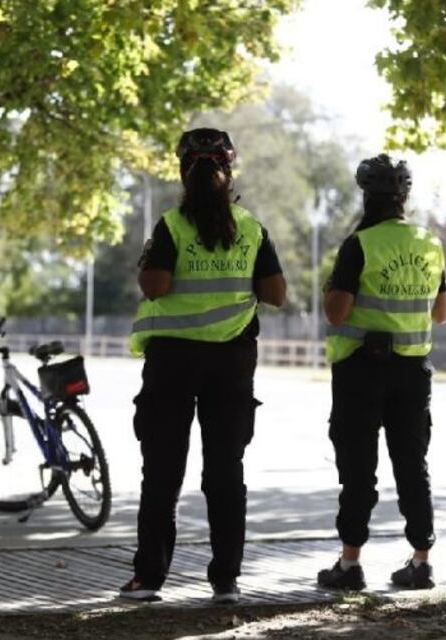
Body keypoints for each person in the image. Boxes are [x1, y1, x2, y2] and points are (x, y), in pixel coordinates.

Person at [120, 128, 287, 604]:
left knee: (163, 471)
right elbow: (276, 294)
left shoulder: (172, 226)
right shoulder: (251, 228)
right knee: (225, 473)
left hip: (172, 361)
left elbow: (154, 286)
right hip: (231, 362)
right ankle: (226, 581)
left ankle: (149, 579)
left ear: (182, 172)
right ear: (229, 171)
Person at [316, 154, 446, 591]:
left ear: (366, 196)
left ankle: (350, 563)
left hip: (361, 370)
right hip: (413, 372)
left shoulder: (360, 244)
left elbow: (337, 313)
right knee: (412, 464)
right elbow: (442, 313)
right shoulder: (429, 243)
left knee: (359, 467)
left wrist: (332, 289)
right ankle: (422, 561)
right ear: (404, 197)